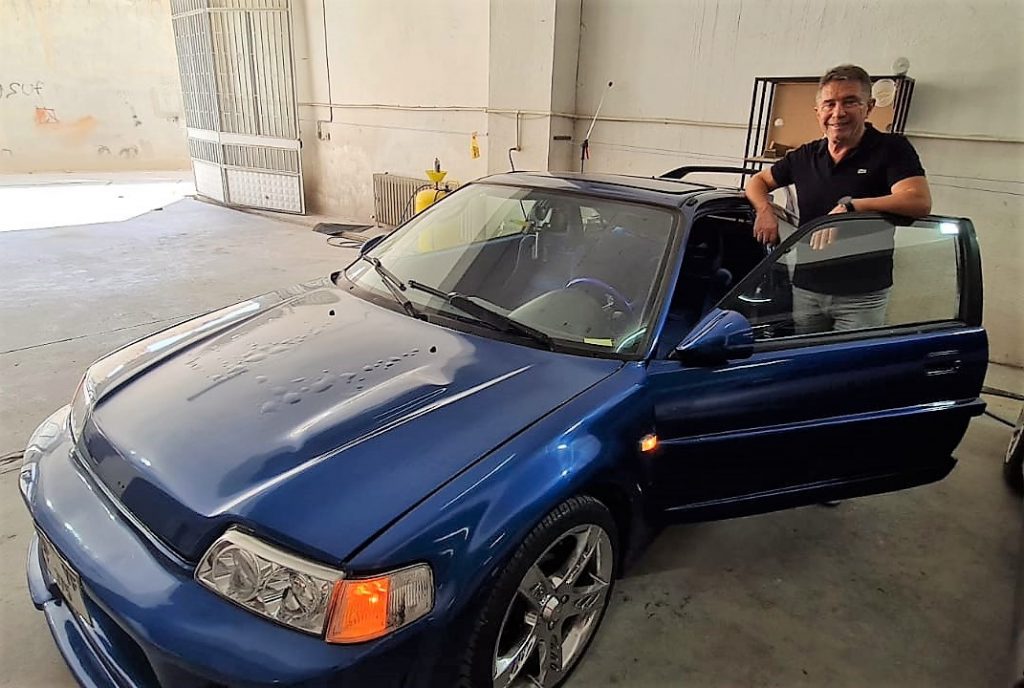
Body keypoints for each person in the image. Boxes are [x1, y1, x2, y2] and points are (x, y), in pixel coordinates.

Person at [744, 64, 932, 334]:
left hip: (861, 295)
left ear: (869, 107)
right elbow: (757, 181)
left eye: (850, 102)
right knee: (805, 355)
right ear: (818, 111)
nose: (838, 113)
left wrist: (853, 206)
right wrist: (764, 210)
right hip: (807, 286)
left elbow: (918, 202)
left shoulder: (891, 149)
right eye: (829, 104)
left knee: (851, 359)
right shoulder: (805, 156)